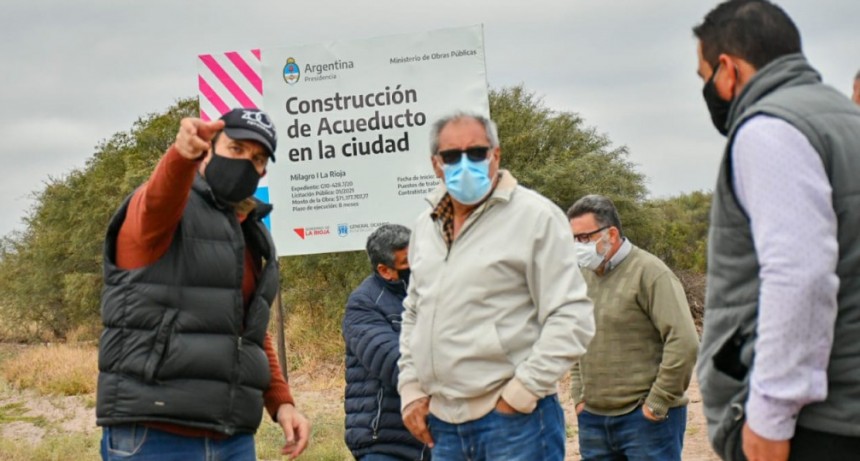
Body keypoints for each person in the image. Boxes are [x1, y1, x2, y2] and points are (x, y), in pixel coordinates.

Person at [692, 1, 860, 460]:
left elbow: (799, 274)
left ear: (727, 69)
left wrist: (769, 415)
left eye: (703, 74)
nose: (706, 88)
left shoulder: (770, 129)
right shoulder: (846, 120)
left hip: (814, 425)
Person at [96, 108, 311, 460]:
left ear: (263, 171)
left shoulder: (249, 230)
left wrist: (281, 403)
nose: (245, 162)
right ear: (208, 149)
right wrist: (181, 156)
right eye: (236, 149)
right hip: (154, 432)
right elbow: (159, 199)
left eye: (256, 158)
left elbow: (246, 331)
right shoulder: (162, 211)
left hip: (232, 436)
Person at [397, 112, 595, 461]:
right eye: (451, 156)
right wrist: (411, 389)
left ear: (496, 155)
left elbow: (571, 316)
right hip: (443, 424)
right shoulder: (425, 226)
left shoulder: (535, 217)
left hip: (516, 423)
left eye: (476, 153)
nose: (464, 164)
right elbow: (414, 311)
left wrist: (520, 394)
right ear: (435, 164)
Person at [566, 194, 699, 461]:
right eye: (573, 239)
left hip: (646, 422)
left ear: (611, 234)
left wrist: (657, 403)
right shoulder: (582, 278)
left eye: (584, 238)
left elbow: (683, 342)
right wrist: (580, 395)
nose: (577, 246)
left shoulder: (651, 274)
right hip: (594, 420)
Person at [342, 224, 429, 461]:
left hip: (437, 440)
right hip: (386, 443)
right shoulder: (364, 304)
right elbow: (394, 362)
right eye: (407, 263)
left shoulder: (432, 294)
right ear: (385, 270)